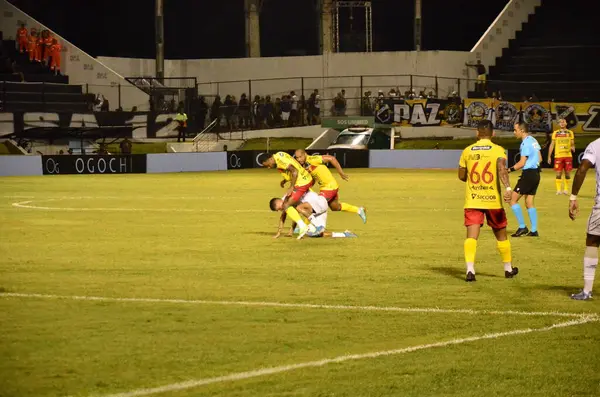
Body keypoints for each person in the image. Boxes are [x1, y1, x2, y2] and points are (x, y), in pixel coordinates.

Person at [458, 120, 517, 282]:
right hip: (493, 201)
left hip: (473, 200)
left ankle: (470, 270)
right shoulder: (498, 150)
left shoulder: (467, 151)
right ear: (493, 134)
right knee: (501, 235)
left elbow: (462, 176)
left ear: (477, 133)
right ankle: (508, 269)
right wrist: (508, 188)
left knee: (471, 236)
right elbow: (501, 170)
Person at [294, 149, 367, 223]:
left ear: (305, 154)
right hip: (328, 187)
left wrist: (341, 173)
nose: (299, 159)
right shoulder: (306, 165)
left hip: (329, 187)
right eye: (297, 158)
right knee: (335, 207)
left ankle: (306, 226)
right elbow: (314, 177)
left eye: (300, 157)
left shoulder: (313, 159)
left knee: (316, 205)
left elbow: (332, 158)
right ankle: (358, 210)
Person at [568, 139, 600, 300]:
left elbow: (582, 169)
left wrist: (573, 197)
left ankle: (587, 291)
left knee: (593, 241)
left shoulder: (595, 145)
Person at [258, 151, 316, 239]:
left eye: (267, 165)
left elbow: (295, 171)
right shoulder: (279, 154)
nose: (269, 167)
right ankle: (310, 226)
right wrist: (285, 180)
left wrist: (291, 187)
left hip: (302, 182)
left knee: (286, 205)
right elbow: (292, 167)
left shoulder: (280, 161)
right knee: (293, 205)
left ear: (269, 159)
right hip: (305, 178)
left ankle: (304, 226)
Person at [269, 191, 357, 239]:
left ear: (279, 202)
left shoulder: (288, 200)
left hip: (317, 206)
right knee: (316, 234)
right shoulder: (287, 201)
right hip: (318, 208)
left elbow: (288, 216)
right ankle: (345, 234)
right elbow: (292, 216)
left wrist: (283, 232)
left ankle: (309, 227)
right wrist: (284, 231)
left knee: (313, 230)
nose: (280, 210)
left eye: (279, 208)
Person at [508, 122, 542, 237]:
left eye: (515, 130)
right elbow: (540, 158)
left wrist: (508, 170)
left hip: (528, 174)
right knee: (529, 202)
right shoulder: (533, 140)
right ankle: (534, 230)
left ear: (522, 130)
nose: (514, 132)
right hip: (536, 174)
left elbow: (521, 163)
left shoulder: (525, 143)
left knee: (512, 200)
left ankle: (522, 227)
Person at [547, 118, 575, 195]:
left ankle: (566, 190)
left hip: (568, 156)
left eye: (563, 122)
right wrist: (549, 156)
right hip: (558, 156)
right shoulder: (555, 133)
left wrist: (573, 147)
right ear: (558, 124)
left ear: (566, 123)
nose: (562, 123)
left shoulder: (570, 133)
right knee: (558, 173)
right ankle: (558, 190)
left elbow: (572, 144)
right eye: (560, 122)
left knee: (567, 173)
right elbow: (552, 145)